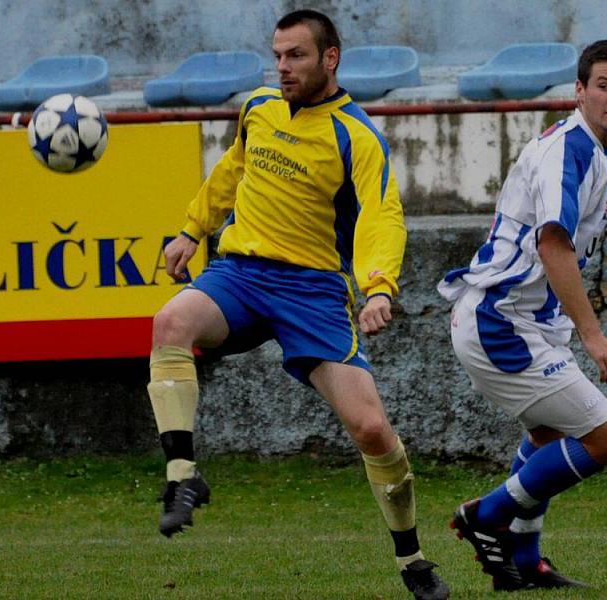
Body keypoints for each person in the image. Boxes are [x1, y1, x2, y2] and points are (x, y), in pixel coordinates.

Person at [145, 9, 449, 600]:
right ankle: (183, 476)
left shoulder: (356, 135)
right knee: (170, 322)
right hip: (240, 272)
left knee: (371, 429)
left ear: (330, 58)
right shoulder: (258, 108)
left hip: (312, 292)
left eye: (296, 56)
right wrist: (190, 230)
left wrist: (379, 286)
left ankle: (412, 559)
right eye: (278, 55)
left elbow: (382, 215)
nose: (282, 68)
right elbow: (231, 172)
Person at [438, 39, 607, 591]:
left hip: (523, 321)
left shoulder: (597, 153)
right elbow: (554, 243)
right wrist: (593, 334)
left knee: (551, 438)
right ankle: (483, 516)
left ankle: (523, 566)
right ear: (579, 91)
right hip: (499, 321)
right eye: (603, 85)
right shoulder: (565, 149)